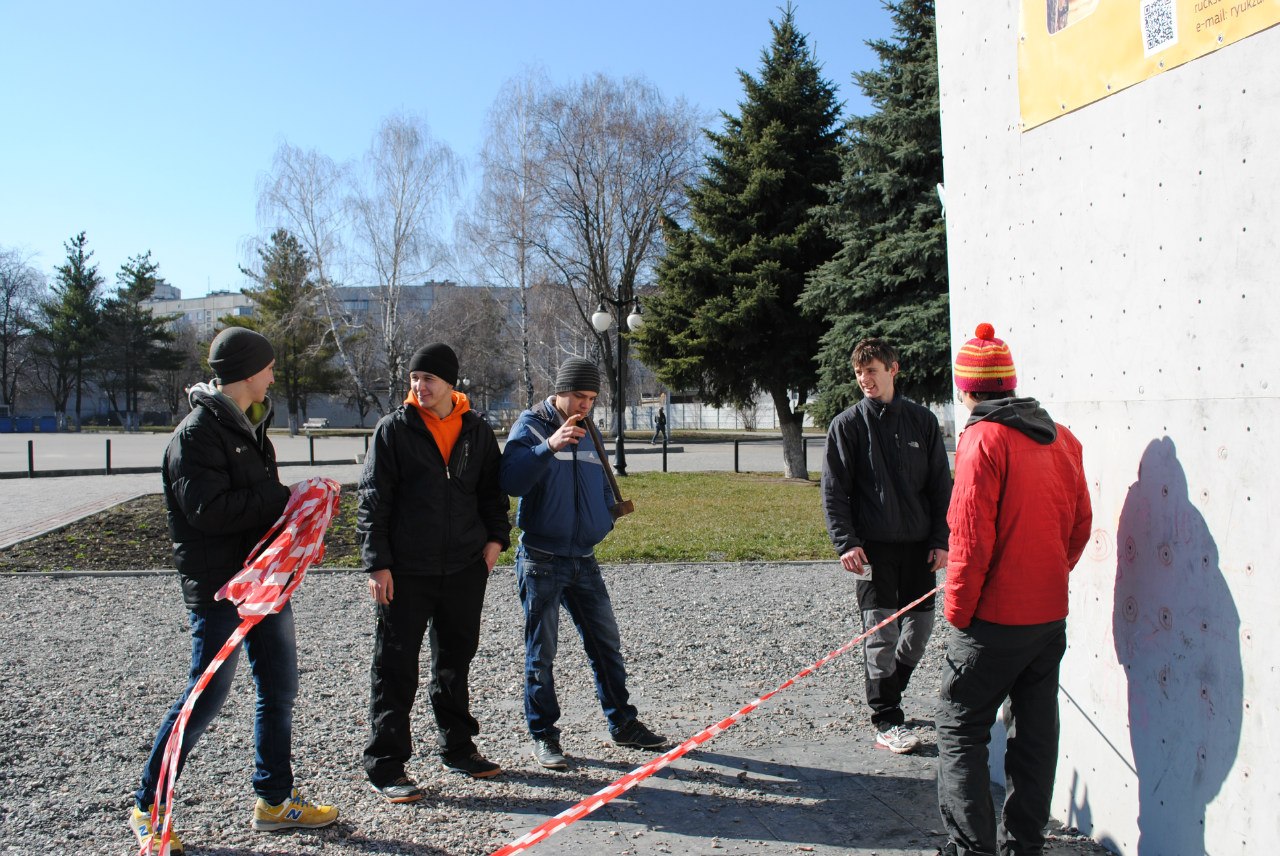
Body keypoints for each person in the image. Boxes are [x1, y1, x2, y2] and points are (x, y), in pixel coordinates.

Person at [129, 327, 337, 854]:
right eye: (268, 368)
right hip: (222, 592)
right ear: (247, 372)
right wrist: (281, 498)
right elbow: (209, 511)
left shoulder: (247, 427)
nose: (273, 377)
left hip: (263, 584)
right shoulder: (197, 434)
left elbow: (251, 504)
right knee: (204, 698)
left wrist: (293, 515)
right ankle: (149, 809)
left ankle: (274, 801)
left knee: (280, 689)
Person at [935, 324, 1092, 856]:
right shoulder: (1060, 435)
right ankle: (1024, 846)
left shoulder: (982, 439)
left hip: (993, 622)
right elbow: (1079, 525)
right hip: (1048, 618)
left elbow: (969, 539)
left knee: (959, 727)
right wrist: (1048, 574)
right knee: (1035, 732)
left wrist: (958, 611)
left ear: (967, 389)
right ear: (1010, 383)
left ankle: (971, 849)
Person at [357, 343, 511, 803]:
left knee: (455, 661)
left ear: (451, 384)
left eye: (429, 379)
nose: (419, 387)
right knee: (395, 667)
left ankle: (458, 748)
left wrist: (494, 541)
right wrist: (378, 564)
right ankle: (386, 765)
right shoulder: (393, 430)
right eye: (414, 379)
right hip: (406, 572)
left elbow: (492, 492)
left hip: (464, 568)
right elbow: (372, 501)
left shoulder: (477, 430)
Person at [500, 357, 667, 770]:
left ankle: (623, 724)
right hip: (541, 558)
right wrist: (548, 446)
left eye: (591, 398)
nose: (584, 405)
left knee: (606, 644)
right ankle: (544, 736)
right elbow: (511, 481)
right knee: (541, 654)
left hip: (584, 558)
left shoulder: (590, 428)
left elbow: (596, 482)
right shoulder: (531, 424)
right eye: (578, 396)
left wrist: (602, 523)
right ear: (559, 390)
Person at [820, 337, 952, 754]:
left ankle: (890, 690)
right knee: (881, 635)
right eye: (859, 373)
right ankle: (887, 718)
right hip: (872, 551)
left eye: (872, 371)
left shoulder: (922, 422)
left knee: (919, 632)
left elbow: (940, 487)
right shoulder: (847, 425)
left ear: (893, 369)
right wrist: (845, 543)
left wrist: (941, 540)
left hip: (920, 550)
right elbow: (833, 491)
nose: (865, 380)